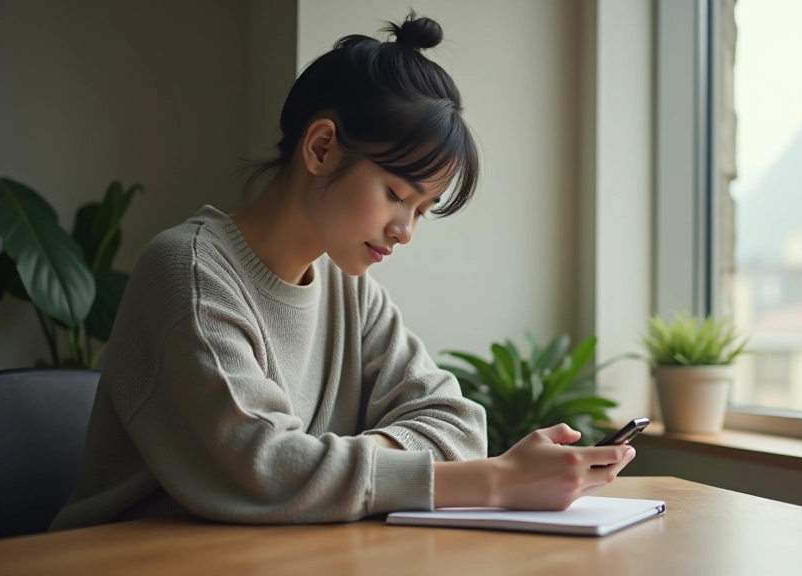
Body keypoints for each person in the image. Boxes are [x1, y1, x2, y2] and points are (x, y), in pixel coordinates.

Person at [49, 11, 636, 531]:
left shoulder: (351, 289)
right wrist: (496, 482)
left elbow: (458, 425)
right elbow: (269, 470)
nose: (404, 230)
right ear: (322, 147)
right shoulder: (191, 274)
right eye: (395, 194)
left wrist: (330, 464)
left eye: (421, 211)